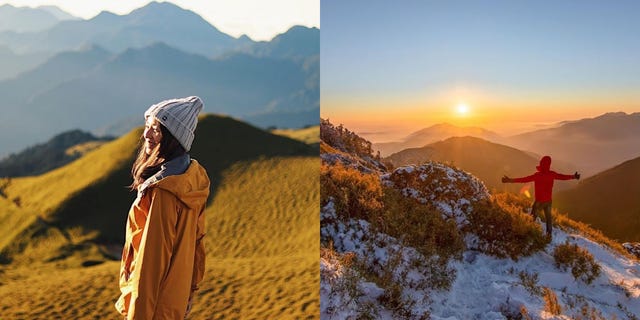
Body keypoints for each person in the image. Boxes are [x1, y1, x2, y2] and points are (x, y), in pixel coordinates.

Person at [115, 96, 210, 319]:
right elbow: (198, 246)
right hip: (173, 301)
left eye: (156, 129)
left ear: (173, 138)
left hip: (154, 308)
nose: (146, 134)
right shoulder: (192, 178)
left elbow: (150, 267)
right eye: (147, 126)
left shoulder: (163, 192)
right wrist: (188, 294)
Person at [501, 155, 579, 240]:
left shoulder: (537, 175)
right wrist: (573, 176)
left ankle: (525, 234)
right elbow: (562, 177)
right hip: (548, 201)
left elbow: (523, 179)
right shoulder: (552, 174)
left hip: (539, 201)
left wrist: (510, 180)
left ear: (541, 164)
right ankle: (548, 236)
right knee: (548, 219)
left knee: (532, 219)